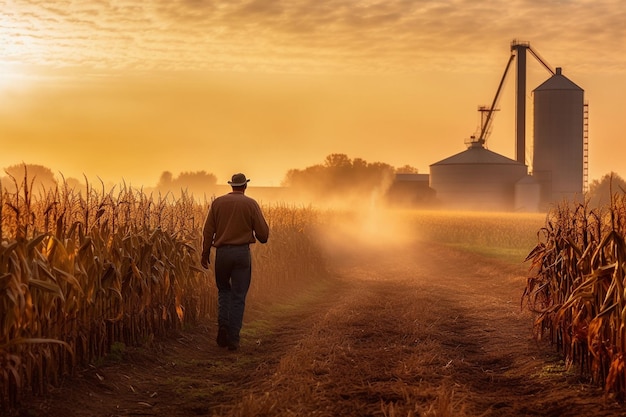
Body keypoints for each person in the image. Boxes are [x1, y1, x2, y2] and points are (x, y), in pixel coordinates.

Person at [200, 173, 270, 351]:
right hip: (241, 255)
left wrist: (205, 253)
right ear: (245, 186)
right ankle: (233, 338)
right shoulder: (251, 204)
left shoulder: (217, 203)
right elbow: (263, 235)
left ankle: (223, 326)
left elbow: (208, 231)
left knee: (224, 291)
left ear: (232, 186)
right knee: (238, 296)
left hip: (222, 254)